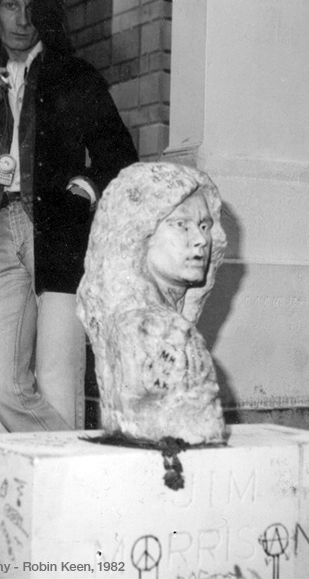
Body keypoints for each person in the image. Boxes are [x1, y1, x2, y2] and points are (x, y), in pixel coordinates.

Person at [0, 0, 138, 433]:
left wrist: (84, 187)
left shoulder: (75, 77)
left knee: (59, 381)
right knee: (2, 388)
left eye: (32, 8)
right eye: (10, 6)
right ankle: (74, 471)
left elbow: (119, 155)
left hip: (59, 235)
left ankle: (66, 497)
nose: (22, 20)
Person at [77, 162, 227, 444]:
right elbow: (201, 431)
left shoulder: (146, 321)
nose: (200, 240)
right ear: (140, 234)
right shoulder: (157, 330)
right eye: (181, 225)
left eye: (204, 225)